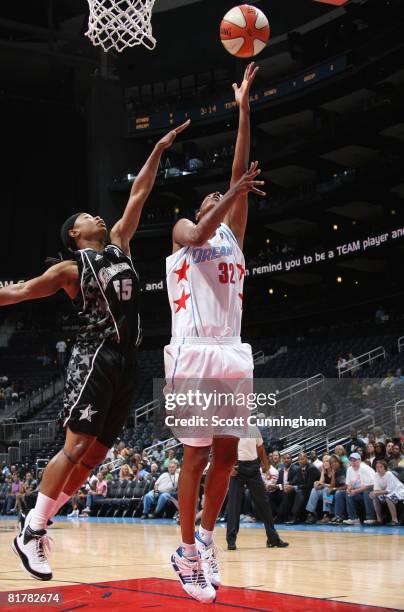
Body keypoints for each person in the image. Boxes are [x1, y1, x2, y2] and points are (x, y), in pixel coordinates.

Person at [4, 120, 189, 581]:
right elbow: (21, 292)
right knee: (76, 445)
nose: (98, 218)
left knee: (93, 459)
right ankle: (33, 531)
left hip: (129, 361)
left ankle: (35, 522)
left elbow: (139, 194)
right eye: (88, 216)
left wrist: (159, 150)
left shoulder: (121, 245)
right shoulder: (70, 268)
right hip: (94, 356)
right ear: (75, 233)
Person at [164, 63, 265, 603]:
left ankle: (205, 540)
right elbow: (202, 225)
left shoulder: (234, 237)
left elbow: (237, 177)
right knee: (196, 457)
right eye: (211, 199)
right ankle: (182, 549)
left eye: (222, 201)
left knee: (226, 457)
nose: (217, 203)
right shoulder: (186, 233)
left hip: (230, 353)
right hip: (192, 355)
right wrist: (230, 194)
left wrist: (244, 107)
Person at [226, 432, 288, 551]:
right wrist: (229, 467)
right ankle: (231, 540)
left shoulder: (254, 430)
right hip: (236, 468)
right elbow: (224, 450)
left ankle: (273, 539)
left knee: (264, 503)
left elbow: (261, 451)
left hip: (253, 468)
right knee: (234, 504)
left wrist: (267, 468)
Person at [341, 453, 377, 525]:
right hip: (358, 491)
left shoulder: (365, 469)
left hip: (370, 490)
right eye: (351, 460)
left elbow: (370, 486)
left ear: (360, 460)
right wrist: (349, 488)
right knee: (347, 493)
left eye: (355, 460)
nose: (353, 462)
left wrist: (355, 491)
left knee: (367, 492)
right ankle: (353, 518)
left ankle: (371, 518)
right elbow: (348, 483)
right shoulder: (349, 469)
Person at [370, 460, 404, 525]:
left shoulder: (388, 474)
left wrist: (377, 493)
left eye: (381, 467)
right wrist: (373, 493)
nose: (378, 469)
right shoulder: (375, 475)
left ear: (385, 468)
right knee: (375, 497)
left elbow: (389, 490)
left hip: (399, 492)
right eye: (377, 467)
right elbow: (376, 489)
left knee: (389, 497)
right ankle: (379, 520)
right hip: (387, 492)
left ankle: (395, 520)